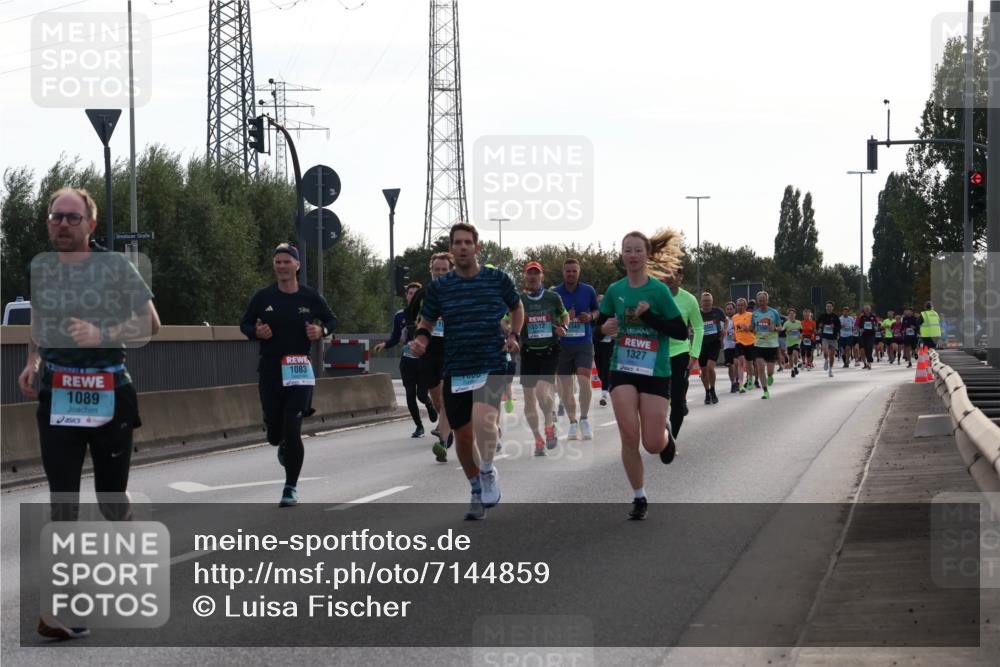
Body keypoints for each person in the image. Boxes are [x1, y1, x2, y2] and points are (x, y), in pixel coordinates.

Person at [20, 187, 161, 640]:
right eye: (56, 217)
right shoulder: (43, 270)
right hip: (59, 394)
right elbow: (39, 323)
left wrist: (101, 331)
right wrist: (33, 362)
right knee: (63, 501)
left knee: (109, 500)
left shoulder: (116, 267)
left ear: (90, 225)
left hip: (109, 392)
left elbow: (149, 324)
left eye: (72, 218)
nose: (63, 224)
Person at [410, 223, 523, 520]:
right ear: (452, 248)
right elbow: (428, 321)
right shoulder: (439, 287)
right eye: (457, 243)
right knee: (461, 438)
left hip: (492, 363)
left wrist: (513, 336)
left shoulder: (497, 279)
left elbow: (516, 307)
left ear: (476, 247)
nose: (462, 247)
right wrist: (421, 340)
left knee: (485, 422)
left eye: (467, 242)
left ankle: (487, 471)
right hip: (458, 367)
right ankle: (475, 487)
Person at [596, 230, 689, 520]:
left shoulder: (658, 291)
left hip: (655, 371)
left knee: (651, 443)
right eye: (627, 250)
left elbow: (680, 331)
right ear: (622, 255)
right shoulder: (615, 290)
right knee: (628, 434)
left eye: (638, 250)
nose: (633, 255)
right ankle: (639, 496)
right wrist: (604, 329)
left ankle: (666, 437)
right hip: (622, 368)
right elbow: (600, 325)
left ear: (647, 255)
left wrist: (649, 317)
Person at [241, 243, 337, 508]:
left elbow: (331, 320)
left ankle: (290, 487)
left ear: (297, 265)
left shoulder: (310, 297)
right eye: (278, 262)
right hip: (271, 370)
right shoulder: (263, 297)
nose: (282, 266)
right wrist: (256, 332)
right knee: (275, 433)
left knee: (293, 428)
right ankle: (280, 440)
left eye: (286, 262)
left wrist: (322, 332)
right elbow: (245, 323)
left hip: (299, 369)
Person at [404, 252, 455, 462]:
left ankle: (442, 439)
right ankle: (449, 427)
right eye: (437, 270)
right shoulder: (423, 293)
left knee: (446, 395)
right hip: (428, 350)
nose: (440, 273)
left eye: (444, 270)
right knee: (437, 400)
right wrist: (414, 337)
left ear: (451, 271)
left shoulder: (457, 292)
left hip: (452, 349)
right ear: (431, 271)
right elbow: (409, 317)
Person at [517, 261, 568, 455]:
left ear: (542, 277)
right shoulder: (519, 299)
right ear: (525, 277)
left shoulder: (552, 297)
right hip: (529, 352)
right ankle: (538, 438)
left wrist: (564, 327)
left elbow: (564, 316)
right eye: (529, 274)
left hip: (550, 350)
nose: (532, 277)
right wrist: (510, 331)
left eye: (536, 274)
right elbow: (506, 320)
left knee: (540, 391)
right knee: (529, 401)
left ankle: (549, 424)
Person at [374, 282, 437, 438]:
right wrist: (385, 344)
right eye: (410, 293)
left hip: (423, 361)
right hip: (407, 361)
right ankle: (419, 427)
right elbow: (395, 337)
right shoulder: (400, 316)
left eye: (416, 293)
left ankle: (429, 404)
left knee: (421, 395)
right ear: (406, 295)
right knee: (410, 394)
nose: (413, 296)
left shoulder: (428, 314)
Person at [553, 259, 600, 441]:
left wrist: (590, 316)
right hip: (563, 344)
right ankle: (573, 422)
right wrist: (564, 318)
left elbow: (597, 311)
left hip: (583, 342)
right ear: (563, 272)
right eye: (568, 271)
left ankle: (584, 418)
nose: (571, 274)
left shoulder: (588, 290)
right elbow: (549, 318)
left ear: (578, 272)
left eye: (574, 271)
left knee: (583, 378)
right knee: (565, 387)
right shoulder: (555, 293)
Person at [664, 267, 703, 432]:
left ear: (681, 277)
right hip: (657, 353)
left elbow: (699, 328)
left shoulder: (689, 299)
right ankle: (661, 430)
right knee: (658, 398)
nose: (670, 277)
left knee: (677, 400)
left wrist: (694, 356)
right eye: (667, 273)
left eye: (675, 274)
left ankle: (672, 437)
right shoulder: (654, 296)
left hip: (680, 353)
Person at [751, 291, 782, 399]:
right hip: (759, 344)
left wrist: (775, 328)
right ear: (758, 301)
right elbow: (752, 328)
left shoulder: (774, 313)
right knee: (760, 367)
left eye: (764, 300)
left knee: (769, 371)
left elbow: (781, 327)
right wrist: (752, 329)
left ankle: (770, 376)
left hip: (771, 345)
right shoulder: (754, 314)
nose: (762, 302)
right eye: (760, 300)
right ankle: (765, 391)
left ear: (767, 300)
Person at [697, 292, 725, 404]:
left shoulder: (718, 312)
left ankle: (712, 390)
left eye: (709, 301)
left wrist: (725, 329)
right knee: (703, 371)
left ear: (712, 302)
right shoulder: (697, 313)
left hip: (714, 343)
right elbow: (689, 324)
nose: (707, 303)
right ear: (701, 302)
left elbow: (726, 321)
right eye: (704, 301)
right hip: (701, 344)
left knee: (710, 368)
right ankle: (707, 392)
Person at [732, 297, 755, 392]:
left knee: (749, 364)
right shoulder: (734, 317)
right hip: (739, 342)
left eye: (742, 305)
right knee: (741, 362)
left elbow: (753, 327)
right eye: (738, 305)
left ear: (745, 306)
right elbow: (735, 329)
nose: (740, 307)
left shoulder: (750, 315)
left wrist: (747, 328)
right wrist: (734, 335)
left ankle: (750, 380)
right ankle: (741, 385)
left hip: (750, 342)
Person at [594, 294, 614, 407]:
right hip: (597, 344)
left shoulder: (612, 313)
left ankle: (604, 393)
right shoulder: (597, 315)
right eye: (599, 301)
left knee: (606, 366)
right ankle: (608, 385)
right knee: (600, 369)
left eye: (603, 301)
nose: (601, 304)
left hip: (610, 344)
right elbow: (593, 329)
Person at [816, 301, 841, 378]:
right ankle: (826, 360)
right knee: (825, 351)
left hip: (833, 338)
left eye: (830, 306)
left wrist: (834, 327)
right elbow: (817, 324)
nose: (829, 308)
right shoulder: (822, 316)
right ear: (826, 307)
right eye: (827, 306)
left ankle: (830, 370)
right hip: (825, 337)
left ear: (832, 308)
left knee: (832, 355)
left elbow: (839, 327)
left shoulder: (835, 316)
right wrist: (819, 328)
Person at [722, 301, 739, 391]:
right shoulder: (724, 321)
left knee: (736, 363)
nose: (729, 311)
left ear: (734, 309)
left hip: (737, 345)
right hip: (727, 346)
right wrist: (724, 332)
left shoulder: (737, 319)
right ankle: (732, 383)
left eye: (731, 309)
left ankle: (737, 381)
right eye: (727, 309)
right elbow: (721, 332)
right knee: (730, 366)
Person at [856, 305, 879, 370]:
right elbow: (857, 326)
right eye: (866, 309)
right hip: (864, 334)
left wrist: (876, 327)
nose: (867, 310)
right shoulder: (861, 317)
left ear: (870, 310)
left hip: (871, 334)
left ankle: (869, 361)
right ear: (864, 310)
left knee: (870, 346)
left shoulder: (873, 316)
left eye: (868, 309)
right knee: (865, 348)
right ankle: (868, 361)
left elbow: (877, 324)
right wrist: (860, 329)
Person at [784, 308, 803, 377]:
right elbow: (783, 331)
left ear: (795, 315)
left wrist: (801, 335)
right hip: (789, 342)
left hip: (797, 341)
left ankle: (795, 366)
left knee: (795, 353)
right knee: (790, 357)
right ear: (788, 315)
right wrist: (787, 331)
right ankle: (792, 369)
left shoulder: (798, 322)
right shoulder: (786, 323)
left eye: (793, 314)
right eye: (790, 314)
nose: (791, 315)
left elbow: (801, 330)